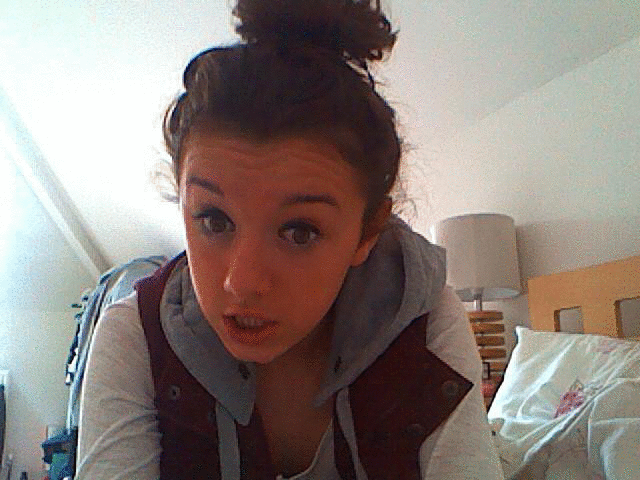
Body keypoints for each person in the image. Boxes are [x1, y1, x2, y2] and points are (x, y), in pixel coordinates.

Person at [76, 0, 504, 478]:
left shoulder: (422, 320)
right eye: (214, 220)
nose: (242, 282)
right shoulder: (135, 333)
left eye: (299, 232)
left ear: (366, 233)